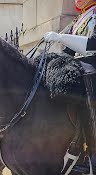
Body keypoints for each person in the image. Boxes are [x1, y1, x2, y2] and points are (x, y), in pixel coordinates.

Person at [44, 0, 96, 152]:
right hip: (80, 64)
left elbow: (93, 43)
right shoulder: (80, 18)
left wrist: (60, 37)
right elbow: (69, 52)